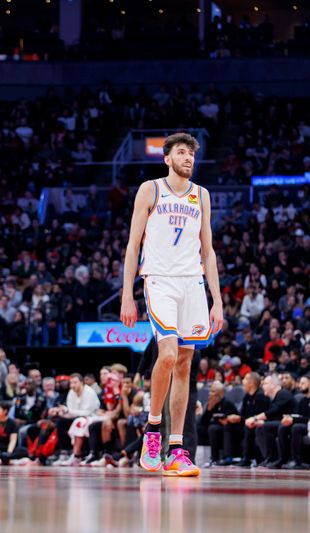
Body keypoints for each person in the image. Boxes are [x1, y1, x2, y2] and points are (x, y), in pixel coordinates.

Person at [121, 132, 223, 477]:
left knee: (184, 364)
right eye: (181, 153)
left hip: (193, 282)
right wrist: (126, 294)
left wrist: (217, 301)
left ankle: (176, 449)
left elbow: (207, 250)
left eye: (191, 154)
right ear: (167, 158)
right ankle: (152, 429)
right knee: (166, 354)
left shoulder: (202, 195)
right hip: (159, 280)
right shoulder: (151, 189)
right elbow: (133, 245)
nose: (188, 159)